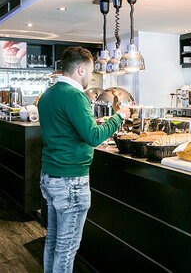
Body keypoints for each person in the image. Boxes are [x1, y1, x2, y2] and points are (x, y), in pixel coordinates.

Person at [37, 46, 130, 273]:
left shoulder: (48, 94)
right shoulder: (75, 96)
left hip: (50, 176)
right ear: (80, 69)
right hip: (70, 182)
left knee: (53, 240)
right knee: (67, 248)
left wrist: (93, 124)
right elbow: (93, 137)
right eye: (90, 72)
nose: (91, 77)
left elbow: (66, 129)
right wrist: (119, 116)